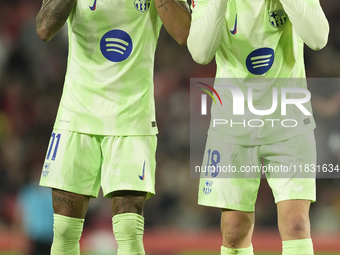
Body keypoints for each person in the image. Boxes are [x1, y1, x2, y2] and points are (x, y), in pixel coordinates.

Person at [35, 0, 191, 254]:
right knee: (64, 229)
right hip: (77, 113)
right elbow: (44, 28)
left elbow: (184, 33)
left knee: (129, 230)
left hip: (132, 117)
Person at [188, 0, 329, 255]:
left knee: (296, 223)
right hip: (233, 123)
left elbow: (318, 38)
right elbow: (200, 53)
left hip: (289, 122)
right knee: (233, 229)